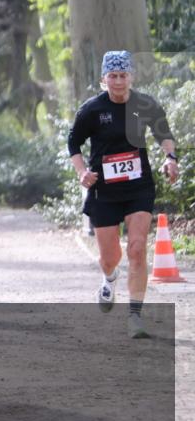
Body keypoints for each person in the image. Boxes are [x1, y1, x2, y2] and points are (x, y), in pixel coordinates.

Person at [68, 50, 179, 338]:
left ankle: (135, 316)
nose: (118, 82)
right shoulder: (91, 110)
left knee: (138, 248)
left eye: (123, 75)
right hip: (103, 191)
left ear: (131, 76)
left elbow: (164, 134)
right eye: (113, 76)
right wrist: (82, 172)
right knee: (110, 257)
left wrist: (171, 158)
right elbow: (74, 143)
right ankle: (109, 278)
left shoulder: (145, 104)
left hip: (138, 187)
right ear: (104, 79)